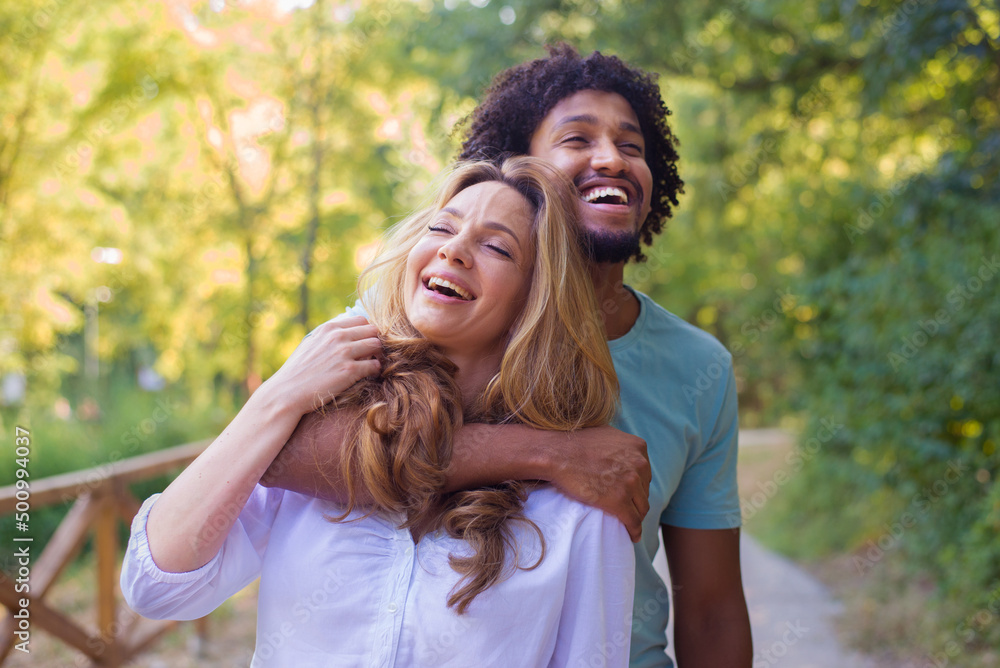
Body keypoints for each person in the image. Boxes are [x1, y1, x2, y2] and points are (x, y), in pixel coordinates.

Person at [264, 44, 753, 667]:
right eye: (578, 139)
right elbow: (281, 451)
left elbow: (711, 606)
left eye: (633, 147)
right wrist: (553, 454)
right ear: (517, 172)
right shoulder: (418, 310)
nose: (612, 159)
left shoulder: (697, 365)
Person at [121, 157, 636, 666]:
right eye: (442, 228)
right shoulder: (318, 428)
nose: (454, 250)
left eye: (497, 246)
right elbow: (157, 587)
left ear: (535, 298)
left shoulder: (581, 504)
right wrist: (278, 397)